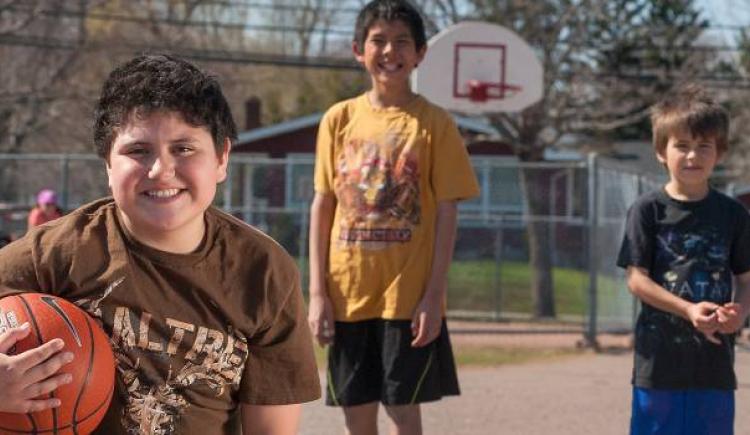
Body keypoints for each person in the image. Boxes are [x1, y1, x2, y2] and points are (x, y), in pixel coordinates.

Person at [0, 54, 320, 434]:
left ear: (221, 158)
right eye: (138, 151)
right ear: (107, 163)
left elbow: (271, 429)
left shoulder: (262, 271)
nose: (160, 170)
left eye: (184, 148)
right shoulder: (57, 252)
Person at [307, 1, 480, 433]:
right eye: (378, 40)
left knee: (404, 410)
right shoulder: (338, 119)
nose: (390, 50)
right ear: (358, 51)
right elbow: (323, 203)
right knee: (356, 412)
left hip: (406, 298)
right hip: (347, 295)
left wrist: (433, 297)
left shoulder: (434, 123)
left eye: (402, 41)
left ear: (420, 53)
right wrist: (317, 293)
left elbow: (446, 210)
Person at [617, 85, 750, 435]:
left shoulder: (733, 214)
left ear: (718, 152)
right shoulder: (647, 210)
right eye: (682, 145)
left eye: (704, 146)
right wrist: (688, 309)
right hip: (658, 364)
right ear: (662, 151)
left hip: (714, 366)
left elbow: (747, 280)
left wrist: (739, 313)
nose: (693, 155)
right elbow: (637, 279)